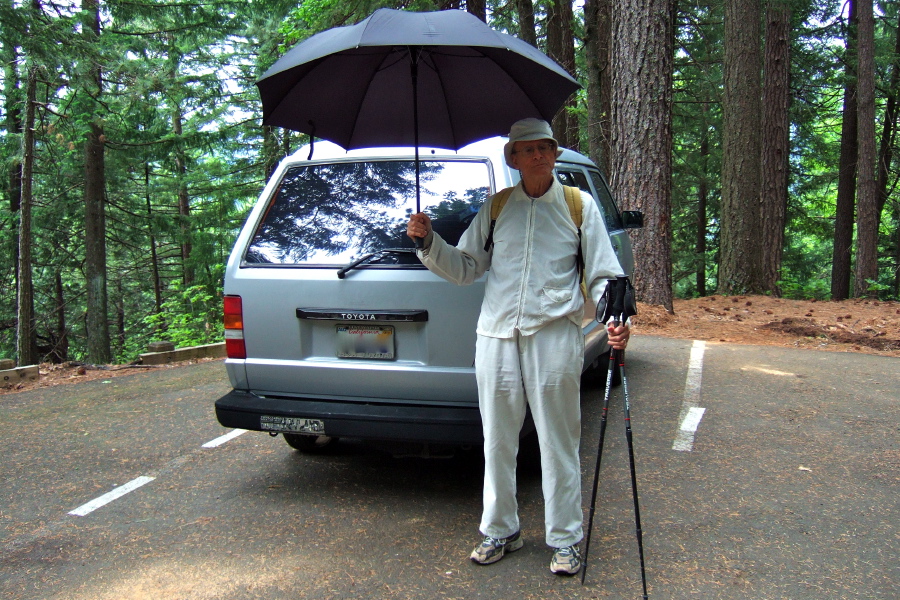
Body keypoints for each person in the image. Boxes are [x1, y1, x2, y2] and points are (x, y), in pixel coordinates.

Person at [406, 118, 630, 575]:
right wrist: (427, 241)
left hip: (554, 335)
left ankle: (566, 539)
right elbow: (466, 266)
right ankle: (500, 530)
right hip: (496, 336)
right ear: (513, 158)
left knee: (558, 442)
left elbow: (604, 273)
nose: (537, 156)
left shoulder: (576, 205)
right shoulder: (496, 208)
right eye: (527, 150)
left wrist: (615, 318)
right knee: (498, 441)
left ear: (554, 153)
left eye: (545, 148)